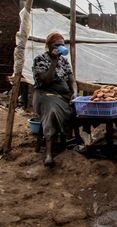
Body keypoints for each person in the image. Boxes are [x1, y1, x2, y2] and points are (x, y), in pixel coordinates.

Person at [32, 32, 78, 166]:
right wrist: (54, 61)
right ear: (48, 46)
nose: (60, 47)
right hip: (44, 94)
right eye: (56, 45)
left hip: (62, 96)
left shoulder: (65, 61)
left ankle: (77, 141)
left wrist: (74, 93)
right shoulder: (40, 59)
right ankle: (49, 154)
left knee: (79, 109)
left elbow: (72, 81)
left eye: (62, 45)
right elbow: (46, 80)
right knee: (52, 110)